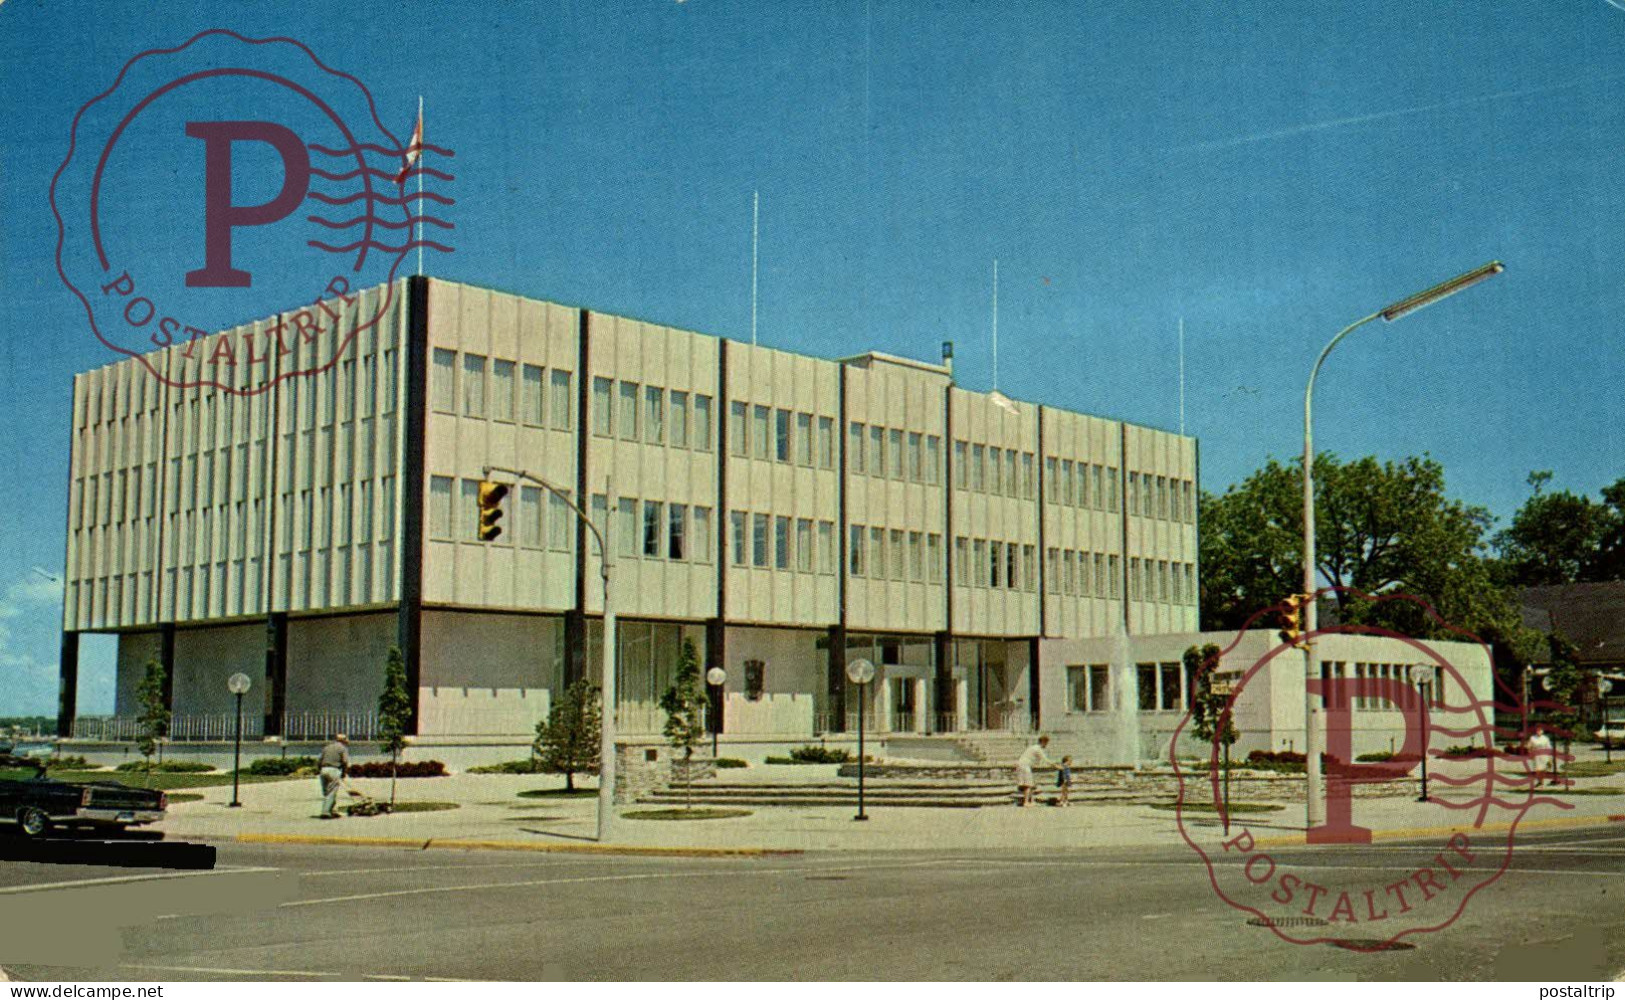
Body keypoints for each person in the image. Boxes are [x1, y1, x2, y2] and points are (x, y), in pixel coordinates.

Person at [1015, 735, 1052, 807]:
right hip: (1025, 766)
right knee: (1028, 785)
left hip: (1021, 765)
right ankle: (1026, 802)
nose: (1046, 745)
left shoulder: (1032, 747)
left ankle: (1031, 801)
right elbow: (1046, 760)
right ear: (1043, 742)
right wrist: (1057, 766)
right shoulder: (1038, 749)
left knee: (1030, 784)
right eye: (1046, 743)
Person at [318, 734, 350, 819]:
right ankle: (325, 812)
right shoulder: (342, 748)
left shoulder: (327, 747)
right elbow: (345, 761)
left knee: (326, 792)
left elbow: (319, 760)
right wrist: (344, 773)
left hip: (323, 770)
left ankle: (332, 810)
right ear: (343, 740)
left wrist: (319, 770)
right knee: (331, 792)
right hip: (334, 770)